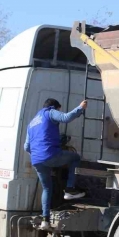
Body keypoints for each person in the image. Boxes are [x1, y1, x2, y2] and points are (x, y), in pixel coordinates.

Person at [24, 98, 88, 230]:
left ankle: (45, 220)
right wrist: (80, 108)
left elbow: (26, 147)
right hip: (50, 155)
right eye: (58, 108)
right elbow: (65, 117)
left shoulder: (31, 123)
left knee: (47, 188)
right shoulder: (50, 112)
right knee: (75, 158)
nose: (58, 111)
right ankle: (70, 189)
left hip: (36, 160)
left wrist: (38, 154)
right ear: (54, 107)